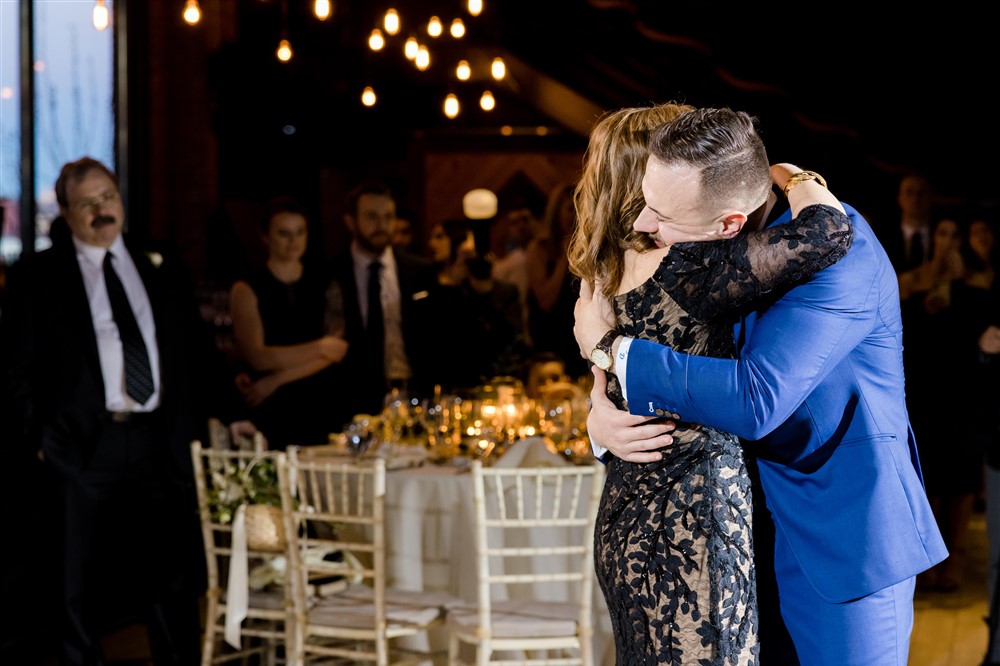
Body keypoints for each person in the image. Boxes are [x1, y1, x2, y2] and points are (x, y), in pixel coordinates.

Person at [574, 108, 947, 665]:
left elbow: (756, 398)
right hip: (738, 536)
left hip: (843, 540)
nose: (646, 225)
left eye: (662, 214)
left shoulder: (841, 256)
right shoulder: (720, 255)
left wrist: (615, 351)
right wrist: (600, 420)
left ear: (728, 222)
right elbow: (692, 364)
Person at [0, 157, 210, 665]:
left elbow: (193, 350)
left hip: (157, 439)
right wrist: (40, 441)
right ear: (67, 213)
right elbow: (14, 366)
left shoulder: (158, 258)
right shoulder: (38, 273)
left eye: (108, 197)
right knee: (72, 577)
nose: (101, 210)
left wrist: (206, 421)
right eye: (87, 203)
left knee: (169, 572)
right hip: (81, 442)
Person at [228, 196, 349, 448]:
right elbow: (259, 357)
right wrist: (320, 347)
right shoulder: (247, 288)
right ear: (266, 237)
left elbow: (337, 350)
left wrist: (276, 380)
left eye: (300, 232)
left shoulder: (326, 281)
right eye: (284, 233)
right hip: (274, 411)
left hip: (321, 401)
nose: (294, 241)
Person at [329, 180, 439, 417]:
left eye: (388, 217)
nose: (382, 225)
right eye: (371, 217)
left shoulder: (419, 270)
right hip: (352, 400)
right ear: (351, 221)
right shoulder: (331, 273)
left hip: (414, 395)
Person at [527, 181, 587, 377]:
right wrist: (565, 256)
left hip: (581, 339)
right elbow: (545, 301)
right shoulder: (540, 249)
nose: (576, 214)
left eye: (582, 207)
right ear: (556, 212)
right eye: (570, 208)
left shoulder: (589, 251)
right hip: (550, 339)